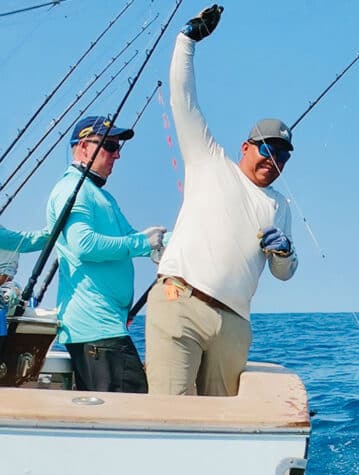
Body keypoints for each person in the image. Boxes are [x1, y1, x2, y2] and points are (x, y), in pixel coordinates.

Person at [145, 5, 298, 398]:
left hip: (234, 323)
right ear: (245, 147)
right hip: (181, 301)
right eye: (267, 148)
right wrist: (187, 41)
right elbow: (183, 98)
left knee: (221, 424)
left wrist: (284, 254)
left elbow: (284, 273)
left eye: (283, 155)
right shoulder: (209, 161)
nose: (274, 159)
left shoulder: (280, 205)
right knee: (171, 417)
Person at [46, 116, 166, 392]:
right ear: (83, 148)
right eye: (110, 146)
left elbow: (134, 236)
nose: (117, 155)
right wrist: (142, 244)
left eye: (117, 147)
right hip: (97, 330)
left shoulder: (102, 197)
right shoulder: (71, 189)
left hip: (107, 327)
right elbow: (83, 245)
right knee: (130, 412)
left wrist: (178, 238)